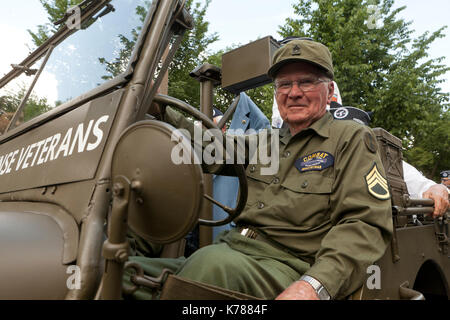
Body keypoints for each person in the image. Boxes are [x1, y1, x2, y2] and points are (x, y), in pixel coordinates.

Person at [125, 39, 393, 300]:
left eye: (307, 82)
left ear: (330, 90)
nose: (294, 92)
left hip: (289, 266)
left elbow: (363, 224)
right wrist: (160, 108)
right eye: (284, 84)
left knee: (209, 266)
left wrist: (314, 286)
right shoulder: (267, 142)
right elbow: (206, 147)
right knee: (117, 272)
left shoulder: (350, 139)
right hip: (234, 250)